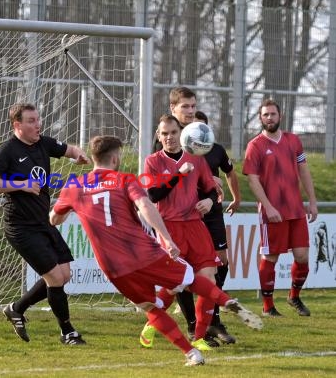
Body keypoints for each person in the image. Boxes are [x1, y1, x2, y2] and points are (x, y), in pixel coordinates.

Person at [49, 135, 261, 366]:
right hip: (144, 252)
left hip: (113, 266)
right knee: (190, 279)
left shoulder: (75, 186)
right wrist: (167, 240)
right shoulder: (125, 180)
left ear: (93, 157)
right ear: (115, 157)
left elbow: (54, 219)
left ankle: (191, 353)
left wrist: (66, 210)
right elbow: (146, 205)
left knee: (150, 307)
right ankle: (226, 301)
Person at [0, 103, 89, 345]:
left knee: (64, 274)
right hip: (20, 227)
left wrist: (79, 154)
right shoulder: (6, 150)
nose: (37, 124)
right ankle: (67, 332)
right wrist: (20, 185)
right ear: (17, 125)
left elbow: (70, 150)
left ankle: (16, 308)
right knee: (54, 276)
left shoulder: (43, 143)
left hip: (42, 222)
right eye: (31, 120)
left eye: (38, 119)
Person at [141, 114, 222, 351]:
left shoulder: (196, 159)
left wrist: (208, 202)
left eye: (173, 132)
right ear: (159, 136)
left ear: (182, 133)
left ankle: (198, 336)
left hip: (195, 226)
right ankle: (153, 322)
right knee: (176, 285)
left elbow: (209, 190)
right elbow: (154, 195)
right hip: (169, 228)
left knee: (208, 279)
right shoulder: (152, 161)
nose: (169, 138)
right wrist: (178, 174)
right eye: (164, 133)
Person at [242, 98, 317, 317]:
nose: (269, 118)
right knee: (271, 257)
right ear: (260, 118)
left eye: (273, 114)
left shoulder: (294, 140)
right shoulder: (255, 145)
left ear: (280, 116)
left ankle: (294, 297)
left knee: (302, 257)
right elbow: (252, 180)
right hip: (272, 213)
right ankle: (267, 306)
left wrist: (312, 201)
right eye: (265, 115)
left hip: (296, 211)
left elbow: (304, 170)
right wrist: (268, 207)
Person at [193, 109, 241, 345]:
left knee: (221, 262)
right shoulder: (182, 152)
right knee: (187, 270)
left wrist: (237, 197)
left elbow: (230, 172)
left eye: (202, 127)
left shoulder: (216, 150)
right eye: (193, 126)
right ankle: (198, 324)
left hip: (212, 212)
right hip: (187, 215)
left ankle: (212, 317)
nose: (198, 131)